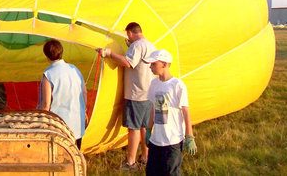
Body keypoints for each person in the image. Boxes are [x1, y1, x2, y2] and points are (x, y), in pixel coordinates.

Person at [97, 22, 156, 171]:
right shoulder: (150, 45)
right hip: (148, 94)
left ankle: (130, 163)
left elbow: (128, 62)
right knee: (144, 127)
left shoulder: (137, 46)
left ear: (129, 33)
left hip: (136, 94)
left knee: (134, 129)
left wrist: (109, 54)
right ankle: (145, 157)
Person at [143, 49, 197, 175]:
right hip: (156, 140)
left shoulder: (177, 85)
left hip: (172, 141)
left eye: (153, 64)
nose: (150, 67)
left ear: (165, 64)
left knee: (170, 173)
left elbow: (185, 111)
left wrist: (189, 136)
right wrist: (149, 130)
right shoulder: (154, 83)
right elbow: (153, 108)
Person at [38, 39, 87, 149]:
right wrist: (84, 112)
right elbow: (84, 92)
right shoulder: (75, 69)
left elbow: (46, 104)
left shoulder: (48, 74)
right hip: (77, 121)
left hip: (59, 125)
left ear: (46, 56)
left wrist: (41, 122)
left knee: (60, 156)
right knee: (76, 154)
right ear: (61, 52)